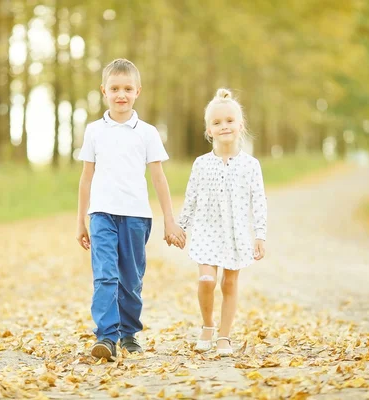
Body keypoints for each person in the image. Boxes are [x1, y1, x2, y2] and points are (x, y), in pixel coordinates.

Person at [76, 58, 186, 361]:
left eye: (127, 88)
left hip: (137, 216)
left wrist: (170, 221)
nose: (120, 94)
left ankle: (128, 333)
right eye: (114, 88)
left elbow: (159, 177)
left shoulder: (147, 132)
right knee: (105, 276)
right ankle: (106, 338)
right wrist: (80, 221)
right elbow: (86, 178)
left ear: (138, 91)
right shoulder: (94, 131)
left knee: (131, 280)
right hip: (101, 214)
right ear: (103, 91)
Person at [175, 88, 267, 356]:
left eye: (229, 121)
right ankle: (208, 325)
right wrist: (181, 226)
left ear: (240, 125)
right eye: (216, 122)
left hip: (236, 233)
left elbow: (258, 202)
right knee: (206, 280)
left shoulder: (251, 165)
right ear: (208, 130)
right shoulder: (201, 164)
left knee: (229, 284)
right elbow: (190, 197)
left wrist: (259, 235)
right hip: (206, 231)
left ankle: (224, 337)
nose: (223, 126)